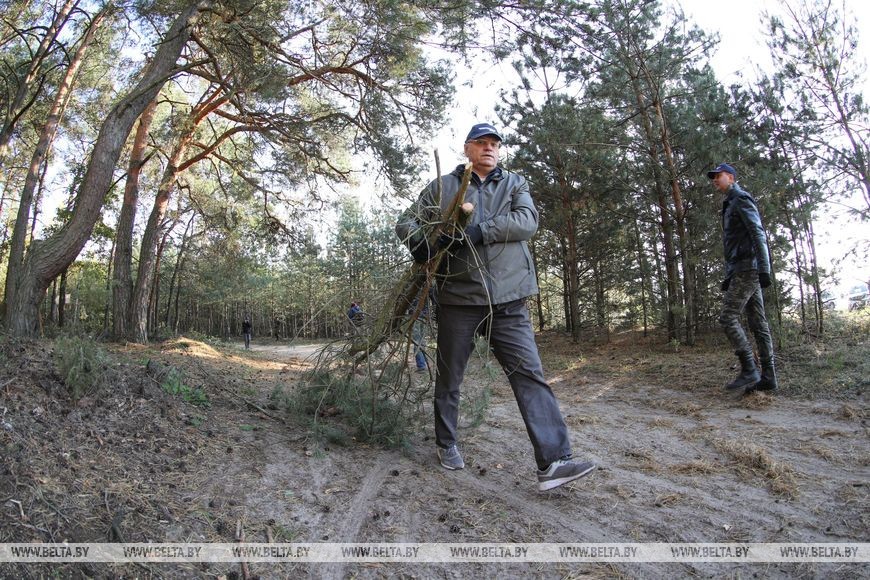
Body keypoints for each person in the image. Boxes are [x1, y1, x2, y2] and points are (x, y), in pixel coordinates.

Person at [395, 122, 597, 492]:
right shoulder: (441, 188)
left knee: (530, 375)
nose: (489, 148)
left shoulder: (514, 184)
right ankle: (447, 442)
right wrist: (418, 243)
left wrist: (479, 230)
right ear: (467, 148)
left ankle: (554, 462)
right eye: (481, 143)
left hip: (508, 300)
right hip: (458, 299)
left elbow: (527, 221)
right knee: (450, 376)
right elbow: (406, 221)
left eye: (494, 144)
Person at [707, 162, 777, 394]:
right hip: (742, 268)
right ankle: (769, 377)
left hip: (749, 269)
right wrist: (730, 274)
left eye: (719, 176)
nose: (715, 180)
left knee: (727, 318)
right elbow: (735, 243)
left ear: (732, 177)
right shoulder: (730, 203)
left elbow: (757, 232)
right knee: (758, 323)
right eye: (714, 177)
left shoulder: (740, 199)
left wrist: (764, 268)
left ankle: (750, 369)